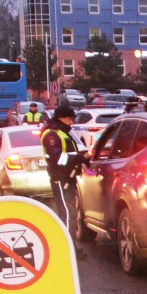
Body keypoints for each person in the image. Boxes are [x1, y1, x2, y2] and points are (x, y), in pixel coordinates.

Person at [41, 105, 89, 260]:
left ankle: (70, 246)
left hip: (67, 177)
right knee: (68, 214)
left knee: (69, 213)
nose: (71, 122)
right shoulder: (51, 135)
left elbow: (68, 153)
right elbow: (58, 158)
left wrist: (82, 156)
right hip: (60, 179)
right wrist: (80, 157)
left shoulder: (62, 132)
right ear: (61, 118)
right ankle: (69, 249)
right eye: (69, 118)